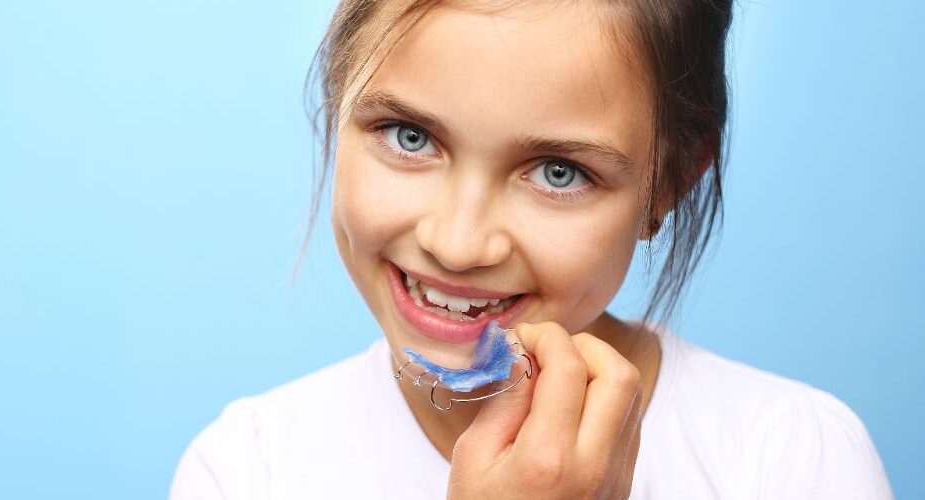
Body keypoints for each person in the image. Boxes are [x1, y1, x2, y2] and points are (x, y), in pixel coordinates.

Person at [169, 1, 894, 498]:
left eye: (559, 172)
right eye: (409, 136)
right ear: (336, 101)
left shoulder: (791, 461)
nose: (456, 244)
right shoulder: (250, 469)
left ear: (668, 184)